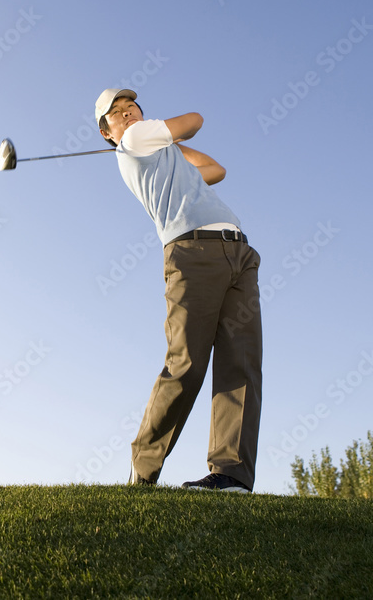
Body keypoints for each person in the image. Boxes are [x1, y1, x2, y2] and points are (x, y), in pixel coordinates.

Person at [95, 88, 263, 493]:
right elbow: (195, 118)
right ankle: (144, 469)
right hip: (193, 251)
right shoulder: (134, 139)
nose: (128, 112)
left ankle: (231, 474)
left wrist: (171, 146)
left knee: (240, 362)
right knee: (186, 363)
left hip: (238, 251)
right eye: (117, 113)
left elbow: (215, 169)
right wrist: (163, 135)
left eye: (131, 106)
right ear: (108, 134)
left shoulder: (156, 149)